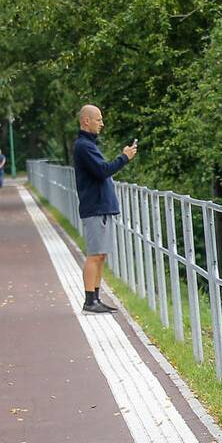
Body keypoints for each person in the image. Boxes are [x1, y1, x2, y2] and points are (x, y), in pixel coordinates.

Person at [73, 104, 137, 314]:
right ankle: (89, 301)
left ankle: (96, 298)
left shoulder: (89, 145)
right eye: (99, 119)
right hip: (95, 207)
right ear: (86, 121)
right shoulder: (84, 146)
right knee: (94, 254)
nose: (102, 123)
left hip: (101, 207)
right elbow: (102, 171)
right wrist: (124, 158)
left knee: (101, 255)